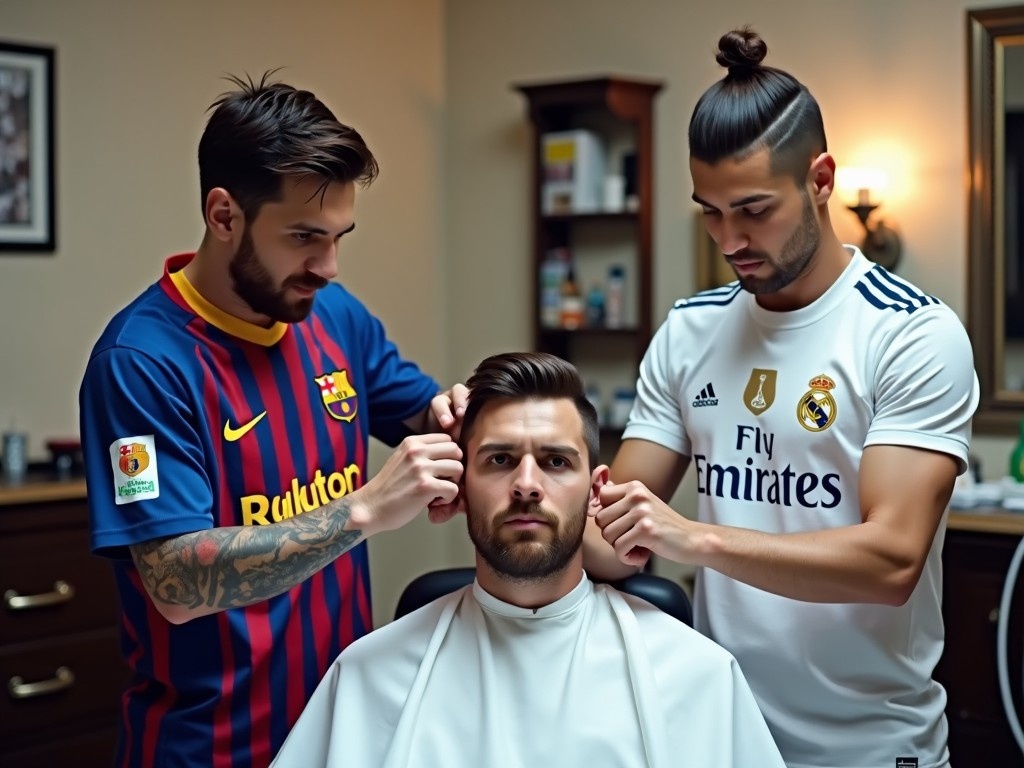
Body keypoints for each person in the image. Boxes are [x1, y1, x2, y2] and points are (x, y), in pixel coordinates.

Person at [585, 29, 980, 768]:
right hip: (718, 731)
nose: (729, 239)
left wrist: (692, 538)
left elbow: (891, 562)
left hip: (869, 744)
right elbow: (613, 537)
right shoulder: (688, 331)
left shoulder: (910, 334)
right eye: (710, 211)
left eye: (754, 210)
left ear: (822, 178)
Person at [78, 72, 467, 768]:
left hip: (339, 735)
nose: (329, 265)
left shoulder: (336, 318)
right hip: (210, 748)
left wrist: (470, 419)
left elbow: (430, 418)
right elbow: (174, 583)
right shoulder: (141, 362)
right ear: (224, 215)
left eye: (341, 236)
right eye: (304, 238)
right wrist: (362, 511)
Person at [271, 352, 786, 768]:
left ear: (595, 491)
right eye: (499, 460)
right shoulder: (369, 675)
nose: (526, 485)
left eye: (556, 461)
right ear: (458, 485)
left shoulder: (696, 675)